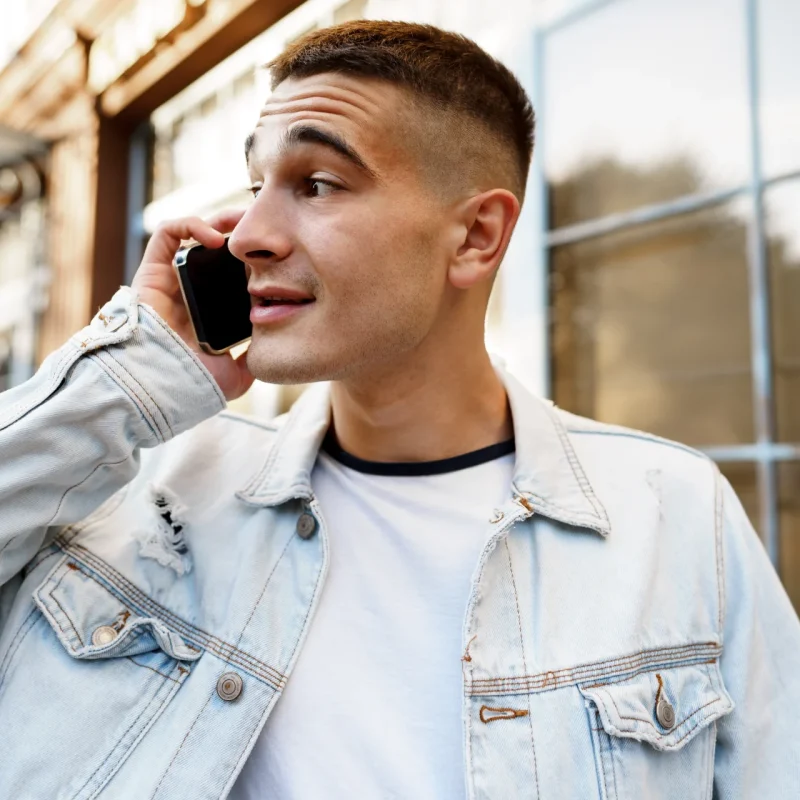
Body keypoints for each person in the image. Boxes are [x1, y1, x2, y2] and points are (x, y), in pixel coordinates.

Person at [1, 19, 798, 800]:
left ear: (475, 238)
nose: (245, 235)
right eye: (254, 188)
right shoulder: (146, 489)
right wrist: (130, 374)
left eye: (316, 184)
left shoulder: (674, 516)